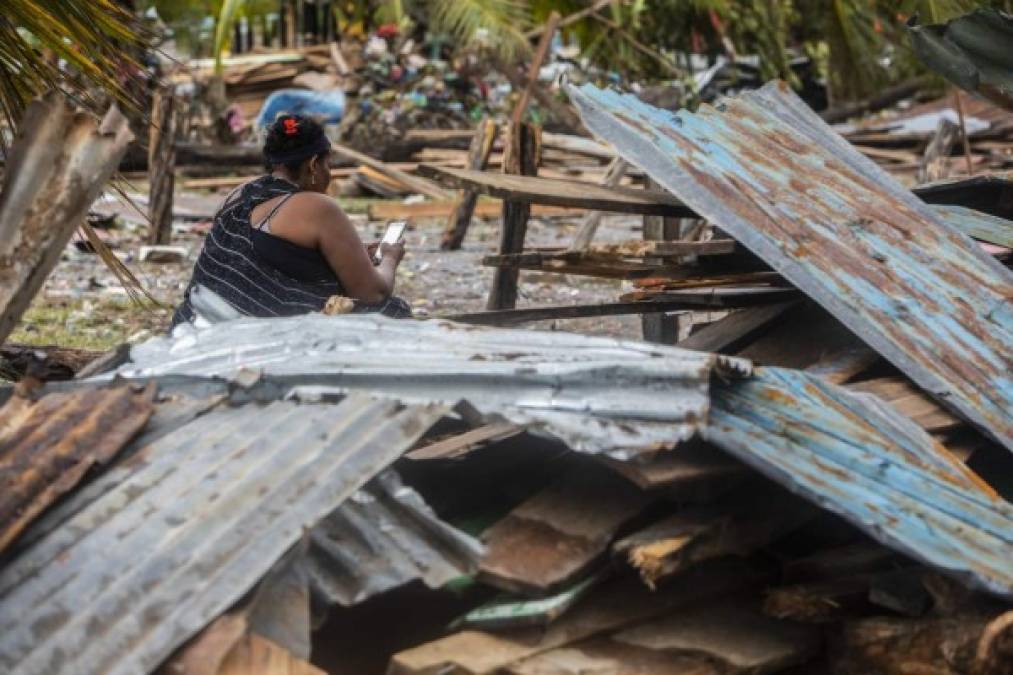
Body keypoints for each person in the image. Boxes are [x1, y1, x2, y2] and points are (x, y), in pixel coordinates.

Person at [172, 114, 411, 327]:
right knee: (390, 312)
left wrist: (355, 256)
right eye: (328, 164)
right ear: (313, 164)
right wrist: (389, 258)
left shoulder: (239, 193)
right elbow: (372, 293)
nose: (329, 173)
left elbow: (276, 258)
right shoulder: (318, 207)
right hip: (247, 337)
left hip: (191, 325)